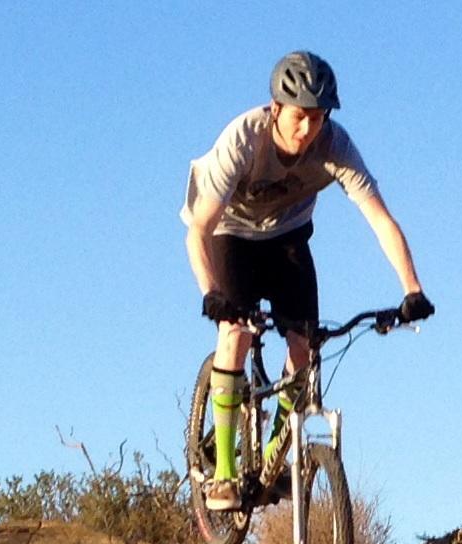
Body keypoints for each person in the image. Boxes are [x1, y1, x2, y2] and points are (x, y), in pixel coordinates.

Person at [182, 50, 433, 509]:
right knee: (235, 333)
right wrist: (211, 294)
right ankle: (222, 472)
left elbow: (379, 218)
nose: (307, 129)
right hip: (229, 233)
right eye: (299, 117)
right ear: (276, 109)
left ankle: (279, 454)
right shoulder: (243, 139)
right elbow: (197, 228)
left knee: (306, 344)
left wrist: (412, 289)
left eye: (318, 119)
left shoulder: (335, 146)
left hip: (288, 238)